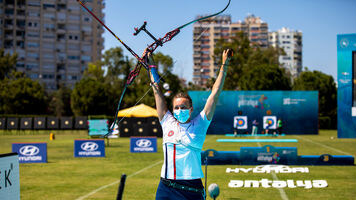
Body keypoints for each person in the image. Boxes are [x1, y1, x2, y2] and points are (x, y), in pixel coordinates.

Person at [146, 49, 232, 200]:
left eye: (184, 107)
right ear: (172, 110)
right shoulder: (167, 122)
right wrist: (151, 65)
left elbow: (215, 93)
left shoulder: (200, 123)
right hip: (166, 189)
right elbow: (156, 91)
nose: (180, 110)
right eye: (177, 107)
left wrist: (225, 64)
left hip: (192, 190)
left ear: (191, 109)